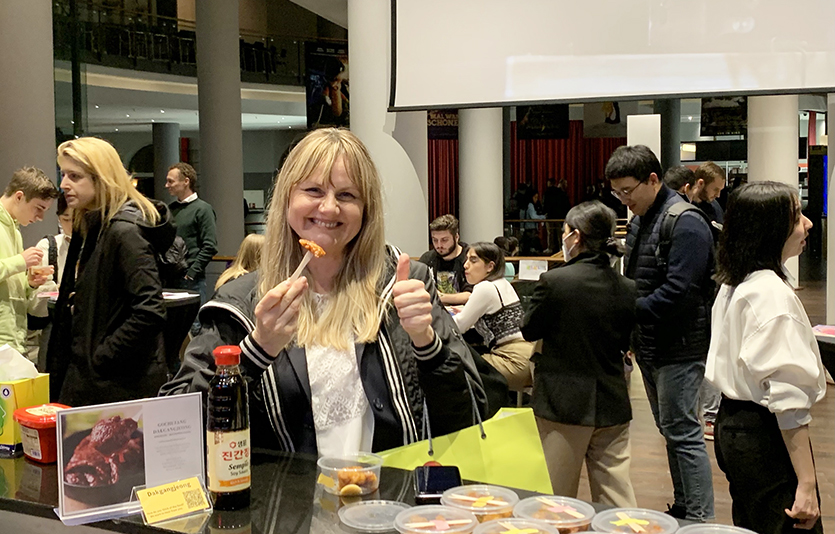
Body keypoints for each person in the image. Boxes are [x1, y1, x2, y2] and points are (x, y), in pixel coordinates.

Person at [161, 128, 486, 457]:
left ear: (366, 209)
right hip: (288, 492)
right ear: (287, 198)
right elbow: (177, 432)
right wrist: (256, 350)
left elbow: (472, 418)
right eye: (314, 190)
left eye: (347, 195)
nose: (329, 208)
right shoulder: (239, 304)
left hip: (391, 489)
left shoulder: (406, 286)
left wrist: (426, 343)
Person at [707, 181, 825, 534]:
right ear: (769, 229)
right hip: (763, 433)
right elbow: (788, 402)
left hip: (733, 425)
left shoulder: (736, 282)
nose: (808, 224)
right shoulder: (770, 293)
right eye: (796, 217)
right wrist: (807, 484)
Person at [606, 145, 715, 521]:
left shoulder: (687, 222)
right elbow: (637, 282)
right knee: (670, 430)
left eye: (627, 191)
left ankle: (699, 519)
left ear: (652, 180)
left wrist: (625, 311)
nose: (624, 200)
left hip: (681, 346)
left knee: (684, 433)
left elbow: (679, 292)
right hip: (650, 345)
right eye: (616, 193)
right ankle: (684, 507)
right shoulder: (641, 221)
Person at [521, 201, 637, 506]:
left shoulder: (555, 281)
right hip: (612, 400)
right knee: (617, 497)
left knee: (557, 500)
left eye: (564, 231)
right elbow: (626, 340)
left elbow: (529, 329)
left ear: (576, 236)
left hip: (563, 402)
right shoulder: (627, 286)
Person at [50, 137, 176, 406]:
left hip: (116, 389)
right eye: (63, 174)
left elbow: (150, 311)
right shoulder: (92, 225)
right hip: (95, 383)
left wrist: (102, 357)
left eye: (74, 176)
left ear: (102, 179)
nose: (63, 185)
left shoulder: (124, 231)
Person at [663, 164, 723, 440]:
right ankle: (698, 415)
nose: (717, 195)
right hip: (691, 299)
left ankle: (710, 414)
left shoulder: (712, 210)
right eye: (715, 189)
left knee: (710, 352)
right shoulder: (682, 215)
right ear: (698, 184)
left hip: (709, 292)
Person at [449, 242, 534, 391]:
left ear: (490, 266)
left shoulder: (485, 287)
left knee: (454, 368)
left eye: (473, 260)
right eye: (466, 259)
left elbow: (458, 326)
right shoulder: (503, 283)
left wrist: (435, 319)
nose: (465, 265)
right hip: (527, 357)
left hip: (511, 359)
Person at [0, 167, 58, 356]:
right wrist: (21, 261)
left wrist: (29, 284)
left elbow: (8, 289)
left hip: (14, 341)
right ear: (19, 197)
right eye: (38, 208)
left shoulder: (15, 231)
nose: (40, 217)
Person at [166, 162, 218, 324]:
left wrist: (192, 272)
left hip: (190, 279)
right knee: (172, 324)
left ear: (186, 181)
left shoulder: (203, 209)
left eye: (171, 181)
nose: (167, 185)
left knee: (194, 325)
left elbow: (210, 245)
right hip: (170, 277)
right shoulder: (170, 209)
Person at [28, 193, 73, 367]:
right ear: (59, 219)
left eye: (78, 218)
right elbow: (35, 309)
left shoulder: (100, 244)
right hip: (56, 331)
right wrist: (54, 289)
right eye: (66, 219)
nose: (72, 225)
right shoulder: (49, 247)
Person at [418, 214, 473, 305]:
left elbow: (470, 295)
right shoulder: (427, 258)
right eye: (435, 240)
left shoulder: (469, 258)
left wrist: (437, 297)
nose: (439, 245)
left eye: (444, 240)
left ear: (456, 237)